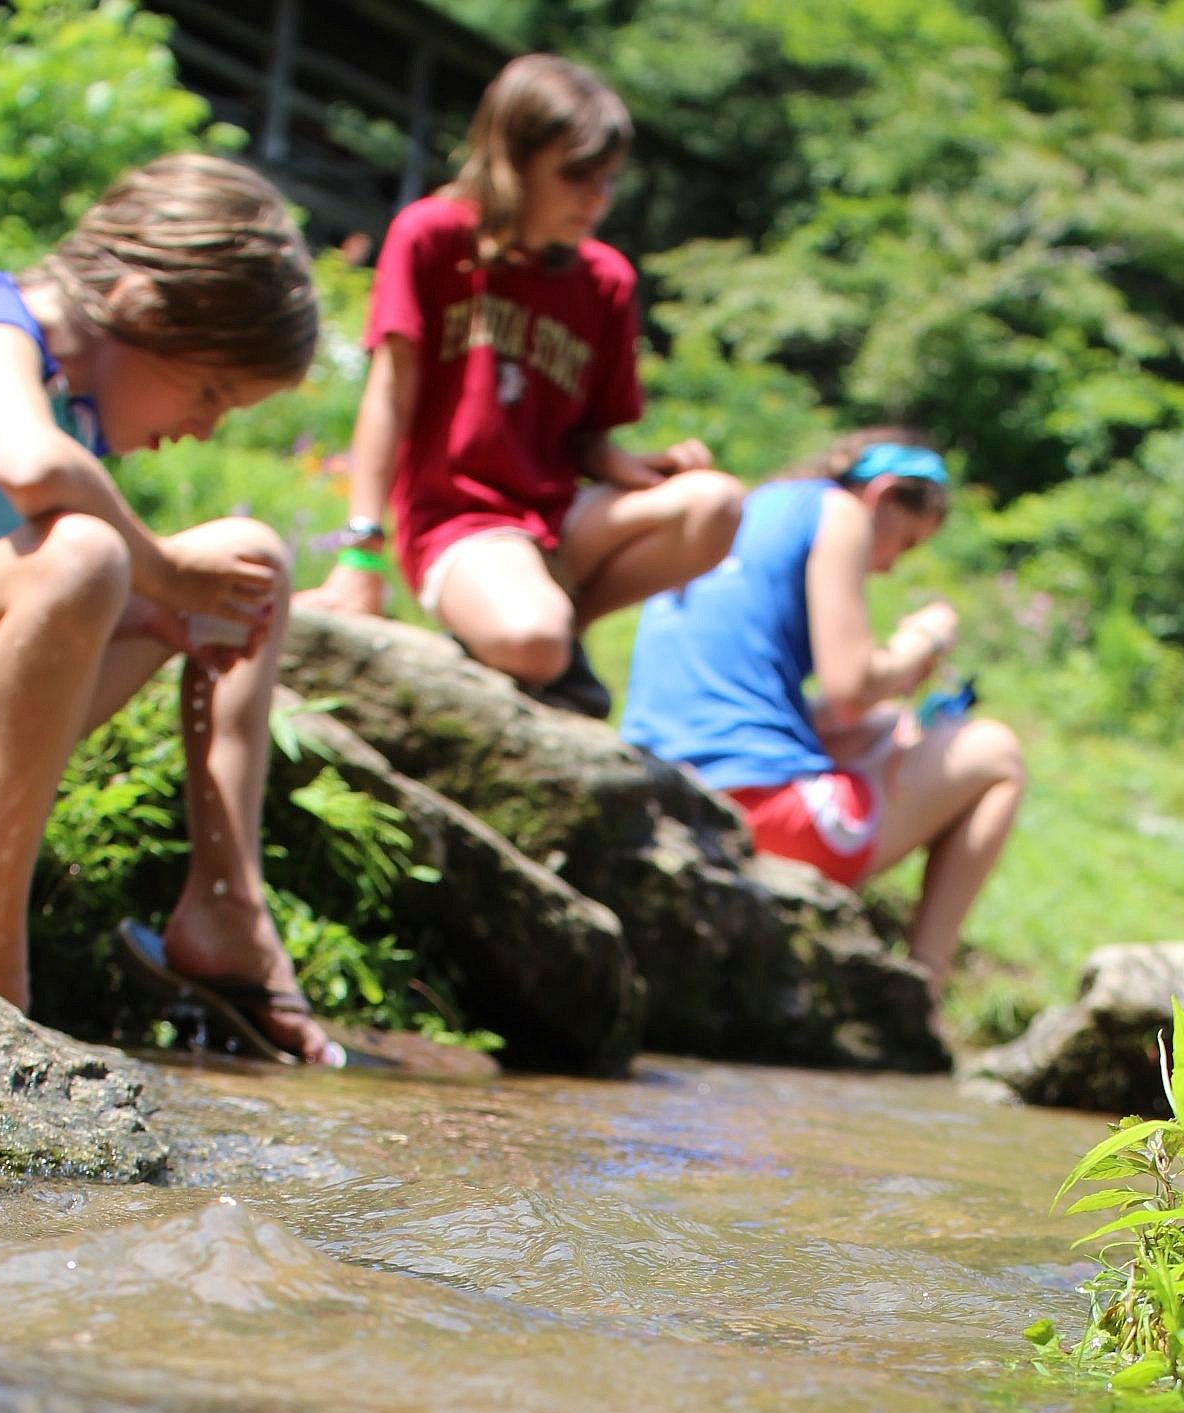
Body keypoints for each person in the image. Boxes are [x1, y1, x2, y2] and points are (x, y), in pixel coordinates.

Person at [0, 153, 342, 1064]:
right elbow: (30, 468)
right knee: (86, 553)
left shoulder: (81, 410)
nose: (205, 429)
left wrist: (159, 608)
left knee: (249, 566)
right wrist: (159, 572)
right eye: (209, 393)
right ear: (138, 304)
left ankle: (227, 907)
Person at [296, 53, 743, 718]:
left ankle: (559, 628)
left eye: (608, 181)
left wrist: (633, 467)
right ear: (515, 158)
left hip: (559, 522)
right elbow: (389, 396)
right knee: (533, 641)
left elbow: (588, 440)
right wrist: (361, 554)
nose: (596, 199)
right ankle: (535, 632)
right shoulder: (433, 236)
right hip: (458, 521)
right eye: (576, 176)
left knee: (717, 503)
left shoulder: (606, 281)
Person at [619, 431, 1025, 1000]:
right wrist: (922, 642)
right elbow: (849, 690)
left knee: (887, 726)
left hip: (661, 789)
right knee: (997, 754)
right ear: (882, 495)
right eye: (904, 542)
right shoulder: (841, 512)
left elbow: (826, 713)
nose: (889, 566)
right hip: (756, 810)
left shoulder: (752, 508)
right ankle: (925, 986)